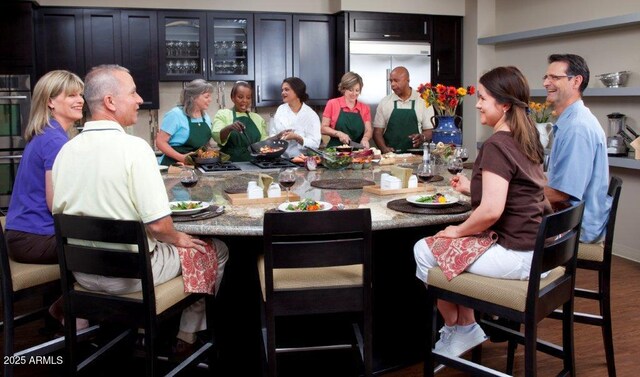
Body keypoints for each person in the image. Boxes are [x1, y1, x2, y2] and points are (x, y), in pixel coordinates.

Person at [52, 65, 228, 353]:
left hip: (81, 274)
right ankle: (186, 336)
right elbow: (158, 226)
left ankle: (135, 327)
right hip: (130, 276)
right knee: (214, 249)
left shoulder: (65, 151)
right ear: (110, 102)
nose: (139, 99)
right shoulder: (135, 149)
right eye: (133, 92)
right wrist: (179, 238)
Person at [414, 66, 548, 357]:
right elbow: (514, 193)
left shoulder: (497, 145)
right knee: (445, 248)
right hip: (535, 249)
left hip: (516, 255)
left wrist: (457, 230)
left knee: (424, 250)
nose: (476, 104)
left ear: (505, 104)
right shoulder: (527, 139)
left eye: (483, 98)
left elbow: (490, 211)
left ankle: (460, 327)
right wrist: (470, 190)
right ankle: (465, 326)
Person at [4, 70, 86, 327]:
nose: (80, 99)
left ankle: (71, 314)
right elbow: (56, 203)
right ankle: (71, 315)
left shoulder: (47, 134)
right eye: (71, 94)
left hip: (23, 234)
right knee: (104, 248)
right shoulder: (54, 140)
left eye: (81, 94)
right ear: (50, 101)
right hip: (33, 239)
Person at [543, 54, 610, 243]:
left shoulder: (577, 128)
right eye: (546, 77)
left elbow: (562, 193)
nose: (547, 83)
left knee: (506, 228)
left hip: (577, 226)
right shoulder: (572, 120)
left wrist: (513, 192)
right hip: (571, 216)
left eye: (555, 77)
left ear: (576, 81)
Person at [372, 66, 433, 153]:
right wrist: (384, 148)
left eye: (396, 81)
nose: (392, 84)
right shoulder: (385, 102)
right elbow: (377, 132)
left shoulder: (423, 101)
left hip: (416, 157)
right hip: (391, 157)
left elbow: (430, 130)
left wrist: (422, 137)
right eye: (391, 81)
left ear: (407, 80)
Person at [156, 79, 214, 165]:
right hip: (174, 165)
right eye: (206, 97)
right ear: (194, 97)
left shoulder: (206, 117)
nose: (210, 100)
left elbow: (204, 144)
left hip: (196, 165)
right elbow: (160, 142)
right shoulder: (175, 114)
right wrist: (181, 158)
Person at [212, 81, 268, 161]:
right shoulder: (223, 114)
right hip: (230, 164)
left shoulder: (257, 118)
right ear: (233, 98)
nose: (245, 100)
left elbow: (264, 142)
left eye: (248, 97)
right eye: (240, 97)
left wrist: (277, 137)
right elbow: (217, 136)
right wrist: (230, 128)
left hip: (254, 163)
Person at [269, 77, 321, 158]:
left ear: (297, 91)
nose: (283, 92)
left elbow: (315, 144)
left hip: (301, 160)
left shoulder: (311, 115)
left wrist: (297, 137)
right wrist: (279, 135)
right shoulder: (280, 109)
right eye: (282, 90)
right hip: (280, 159)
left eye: (286, 89)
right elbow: (272, 135)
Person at [321, 71, 373, 148]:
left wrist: (365, 139)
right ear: (344, 88)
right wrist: (339, 133)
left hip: (358, 151)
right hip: (335, 151)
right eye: (351, 90)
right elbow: (323, 128)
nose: (354, 94)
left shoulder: (364, 108)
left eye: (357, 90)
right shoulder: (332, 103)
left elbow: (368, 130)